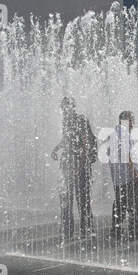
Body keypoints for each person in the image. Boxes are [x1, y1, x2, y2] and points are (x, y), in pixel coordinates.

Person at [51, 97, 98, 243]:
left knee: (82, 199)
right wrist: (56, 149)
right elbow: (67, 140)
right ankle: (67, 230)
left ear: (73, 107)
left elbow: (85, 144)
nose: (65, 110)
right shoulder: (66, 122)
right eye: (63, 107)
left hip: (80, 167)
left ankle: (86, 229)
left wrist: (79, 165)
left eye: (67, 107)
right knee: (65, 198)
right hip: (67, 164)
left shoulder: (81, 120)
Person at [107, 111, 138, 243]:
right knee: (134, 205)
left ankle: (115, 229)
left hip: (118, 177)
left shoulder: (113, 133)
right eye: (131, 119)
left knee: (120, 203)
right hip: (127, 176)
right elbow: (127, 156)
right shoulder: (124, 133)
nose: (133, 122)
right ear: (125, 120)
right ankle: (133, 231)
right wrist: (135, 173)